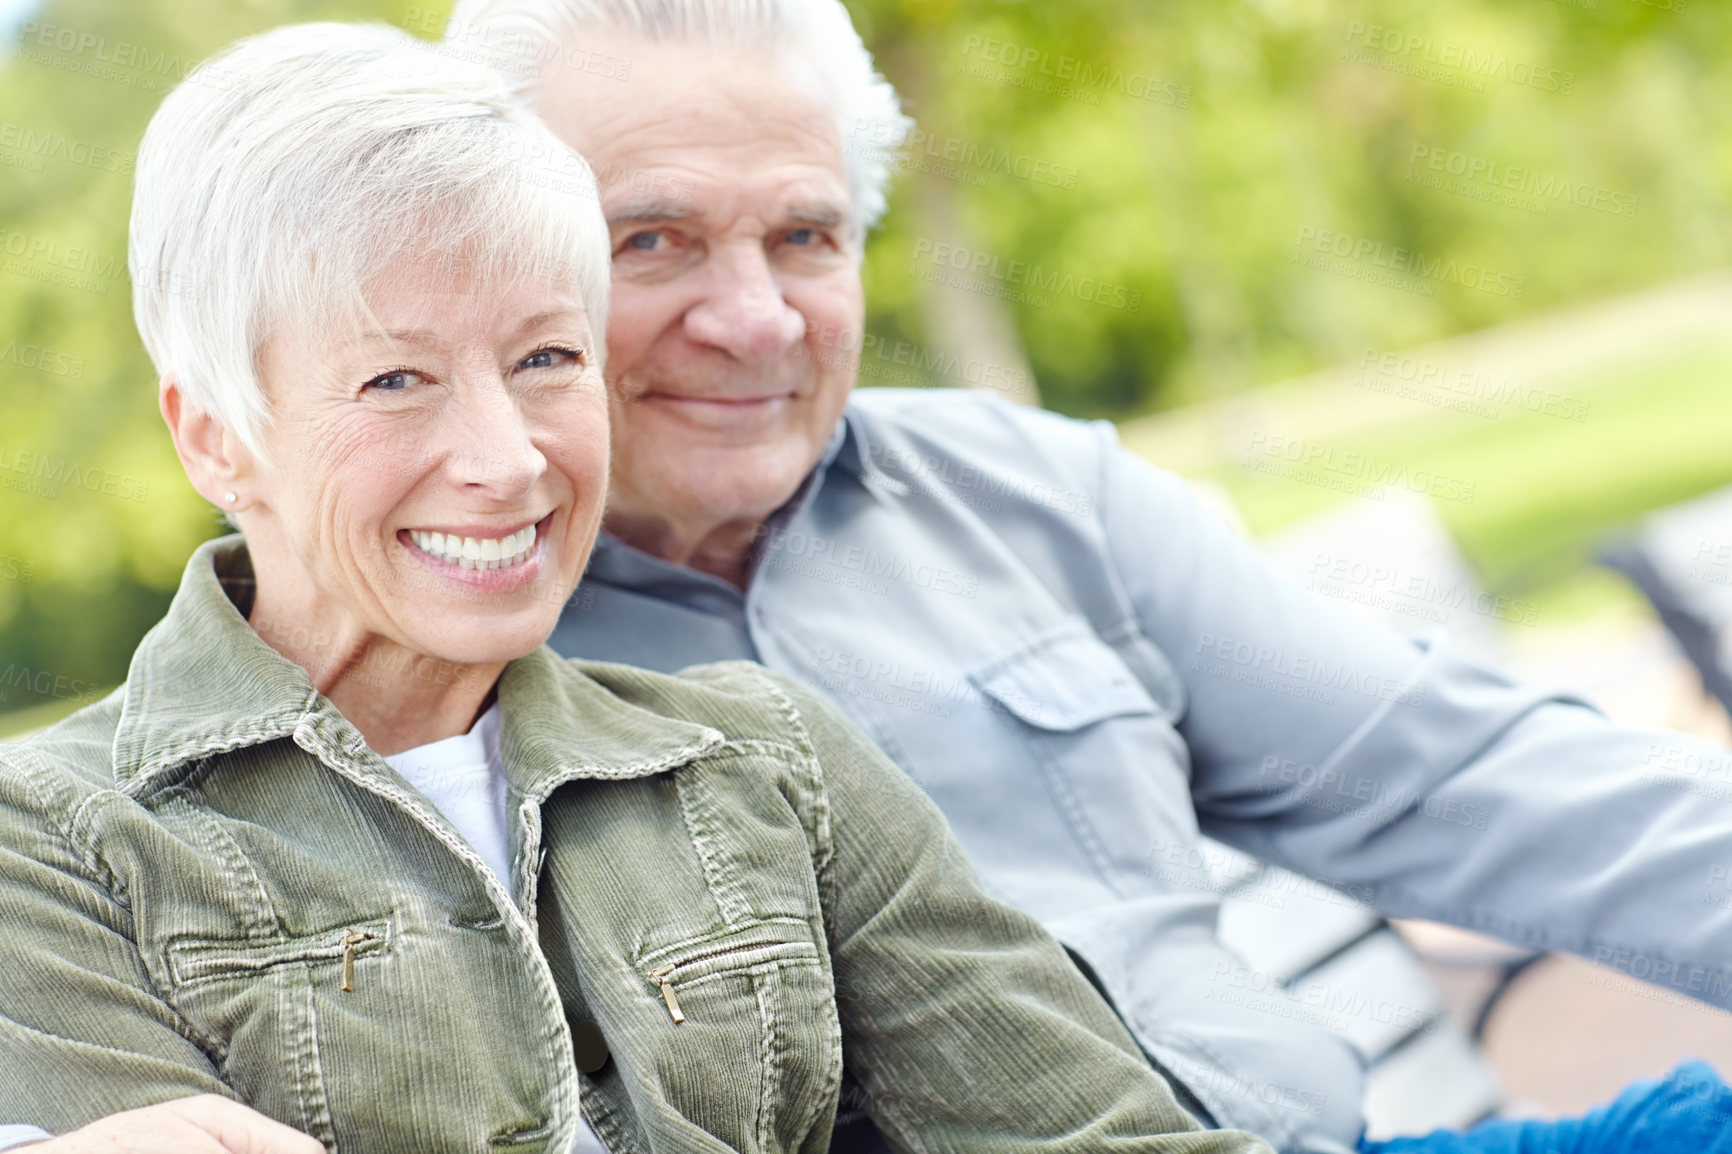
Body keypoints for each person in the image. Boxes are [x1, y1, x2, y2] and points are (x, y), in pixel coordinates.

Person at [433, 0, 1732, 1151]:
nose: (758, 316)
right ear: (489, 269)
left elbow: (1462, 776)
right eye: (652, 239)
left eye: (806, 236)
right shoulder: (427, 657)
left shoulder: (1025, 491)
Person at [0, 22, 1277, 1154]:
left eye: (547, 356)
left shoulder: (769, 760)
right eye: (397, 380)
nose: (509, 460)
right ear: (216, 435)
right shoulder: (51, 848)